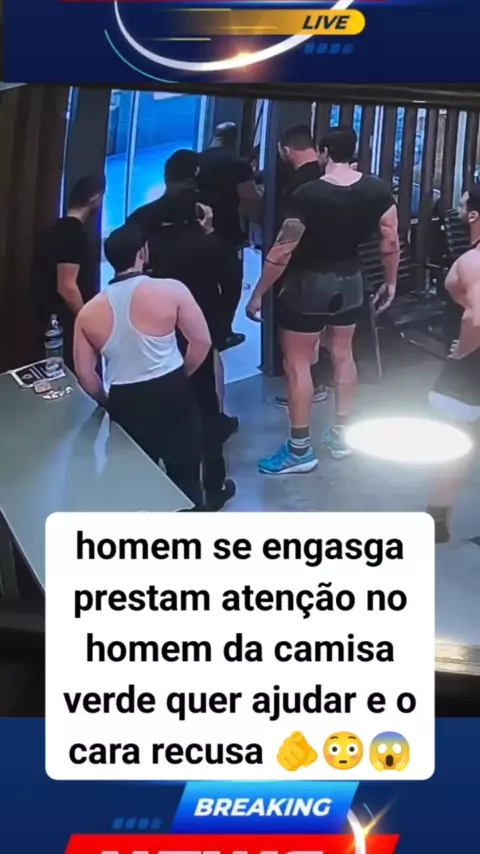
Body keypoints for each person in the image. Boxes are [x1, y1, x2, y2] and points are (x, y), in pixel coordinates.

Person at [246, 125, 400, 475]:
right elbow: (390, 240)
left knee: (297, 363)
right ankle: (342, 437)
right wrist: (390, 282)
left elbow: (283, 251)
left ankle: (300, 450)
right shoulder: (377, 189)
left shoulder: (308, 194)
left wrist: (258, 293)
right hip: (351, 280)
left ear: (325, 152)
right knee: (343, 354)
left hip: (308, 284)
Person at [73, 223, 211, 509]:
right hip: (173, 391)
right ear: (142, 252)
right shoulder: (171, 289)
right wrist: (181, 375)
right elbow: (202, 342)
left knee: (135, 483)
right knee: (186, 478)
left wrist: (106, 399)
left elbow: (85, 375)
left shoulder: (87, 314)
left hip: (126, 399)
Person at [130, 149, 239, 441]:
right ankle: (213, 427)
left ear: (166, 177)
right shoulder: (208, 217)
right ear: (196, 177)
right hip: (203, 308)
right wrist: (223, 321)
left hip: (155, 310)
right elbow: (230, 275)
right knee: (207, 367)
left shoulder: (141, 217)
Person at [143, 188, 238, 507]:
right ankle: (214, 482)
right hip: (201, 330)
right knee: (207, 407)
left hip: (160, 333)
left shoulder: (151, 245)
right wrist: (221, 323)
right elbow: (232, 285)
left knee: (163, 408)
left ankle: (163, 482)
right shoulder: (212, 244)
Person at [427, 184, 480, 543]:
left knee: (452, 438)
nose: (457, 209)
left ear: (474, 215)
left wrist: (462, 351)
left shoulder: (473, 261)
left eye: (462, 204)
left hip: (471, 368)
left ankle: (436, 521)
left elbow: (476, 317)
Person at [275, 124, 332, 408]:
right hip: (340, 270)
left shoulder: (298, 188)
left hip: (304, 273)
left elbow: (288, 241)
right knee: (327, 338)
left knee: (297, 350)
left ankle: (304, 393)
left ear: (285, 150)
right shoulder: (331, 177)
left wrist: (262, 286)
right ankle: (323, 384)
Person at [197, 121, 262, 348]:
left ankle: (201, 330)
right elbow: (249, 197)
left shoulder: (198, 159)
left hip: (199, 229)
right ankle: (222, 333)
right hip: (228, 230)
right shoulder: (238, 163)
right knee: (231, 285)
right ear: (235, 139)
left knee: (204, 282)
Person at [34, 174, 106, 369]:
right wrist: (88, 319)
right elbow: (67, 286)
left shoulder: (53, 231)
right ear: (95, 198)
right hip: (66, 325)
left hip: (53, 322)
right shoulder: (72, 233)